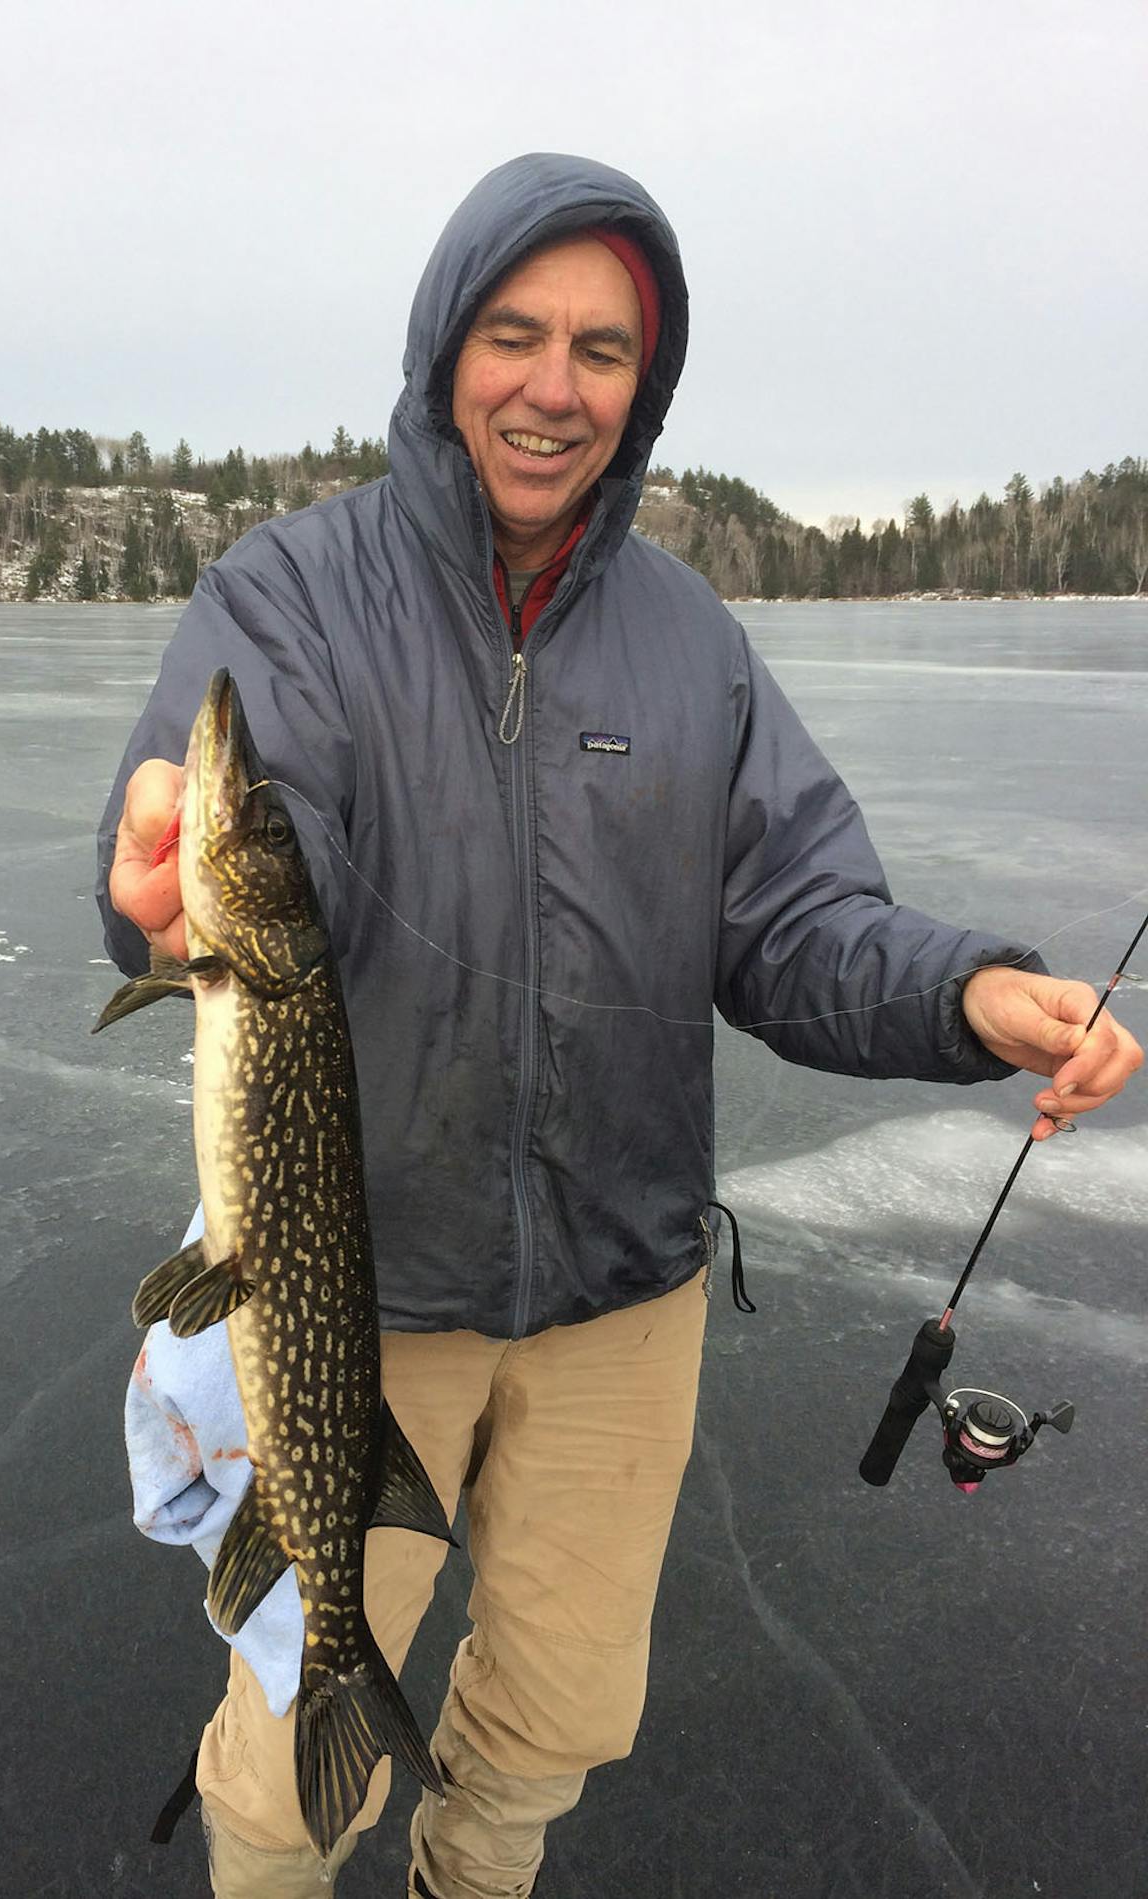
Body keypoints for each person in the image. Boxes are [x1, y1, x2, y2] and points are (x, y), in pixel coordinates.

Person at [97, 153, 1141, 1898]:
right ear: (446, 350)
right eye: (517, 335)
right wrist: (169, 887)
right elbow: (276, 833)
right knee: (292, 1766)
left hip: (620, 1293)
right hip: (364, 1295)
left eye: (602, 351)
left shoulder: (694, 644)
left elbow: (798, 923)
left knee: (560, 1720)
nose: (554, 387)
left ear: (641, 387)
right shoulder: (293, 599)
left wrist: (972, 993)